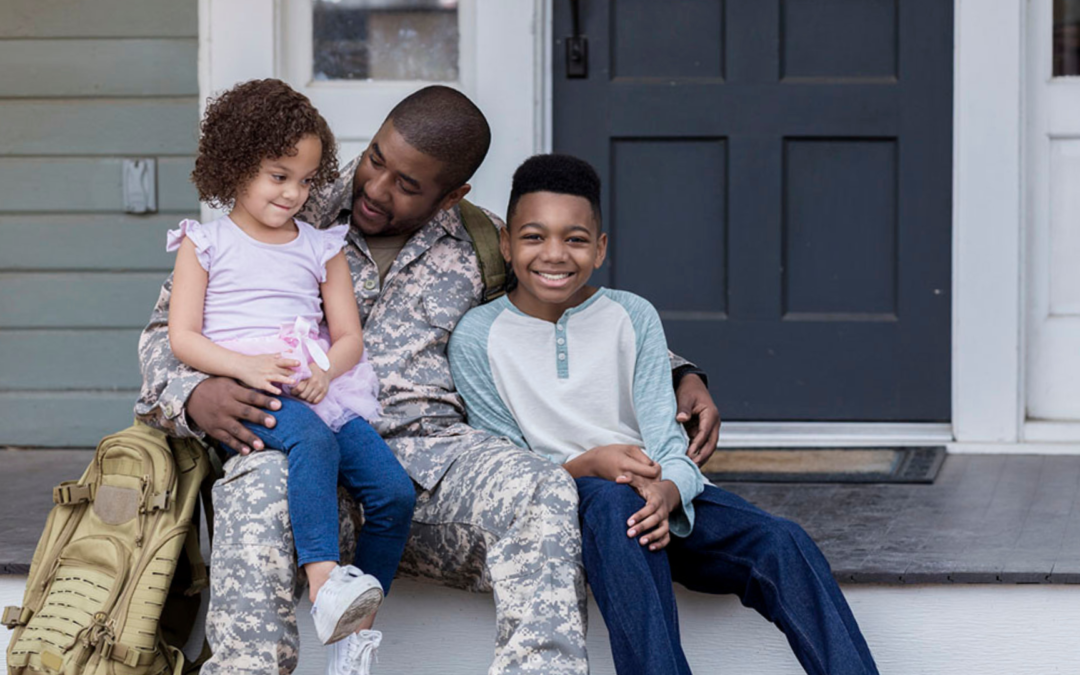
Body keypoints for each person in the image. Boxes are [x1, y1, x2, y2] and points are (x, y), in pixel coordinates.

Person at [136, 85, 721, 675]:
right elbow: (166, 334)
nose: (376, 188)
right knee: (256, 486)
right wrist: (194, 396)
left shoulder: (485, 244)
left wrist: (677, 372)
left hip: (437, 467)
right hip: (308, 462)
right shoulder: (289, 203)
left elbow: (571, 306)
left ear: (452, 195)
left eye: (408, 186)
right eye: (376, 160)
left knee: (542, 488)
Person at [448, 154, 880, 675]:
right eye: (535, 237)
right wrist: (590, 465)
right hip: (565, 506)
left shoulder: (632, 315)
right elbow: (506, 469)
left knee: (782, 541)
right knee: (612, 504)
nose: (555, 254)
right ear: (506, 244)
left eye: (576, 239)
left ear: (601, 248)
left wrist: (671, 489)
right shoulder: (477, 336)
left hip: (657, 497)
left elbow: (665, 438)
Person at [163, 79, 414, 673]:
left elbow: (349, 335)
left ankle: (352, 630)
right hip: (248, 392)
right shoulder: (205, 243)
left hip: (315, 391)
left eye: (305, 180)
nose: (294, 193)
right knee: (312, 441)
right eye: (279, 176)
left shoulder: (321, 247)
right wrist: (242, 366)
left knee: (393, 492)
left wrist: (327, 370)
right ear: (235, 166)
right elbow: (183, 338)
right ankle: (324, 578)